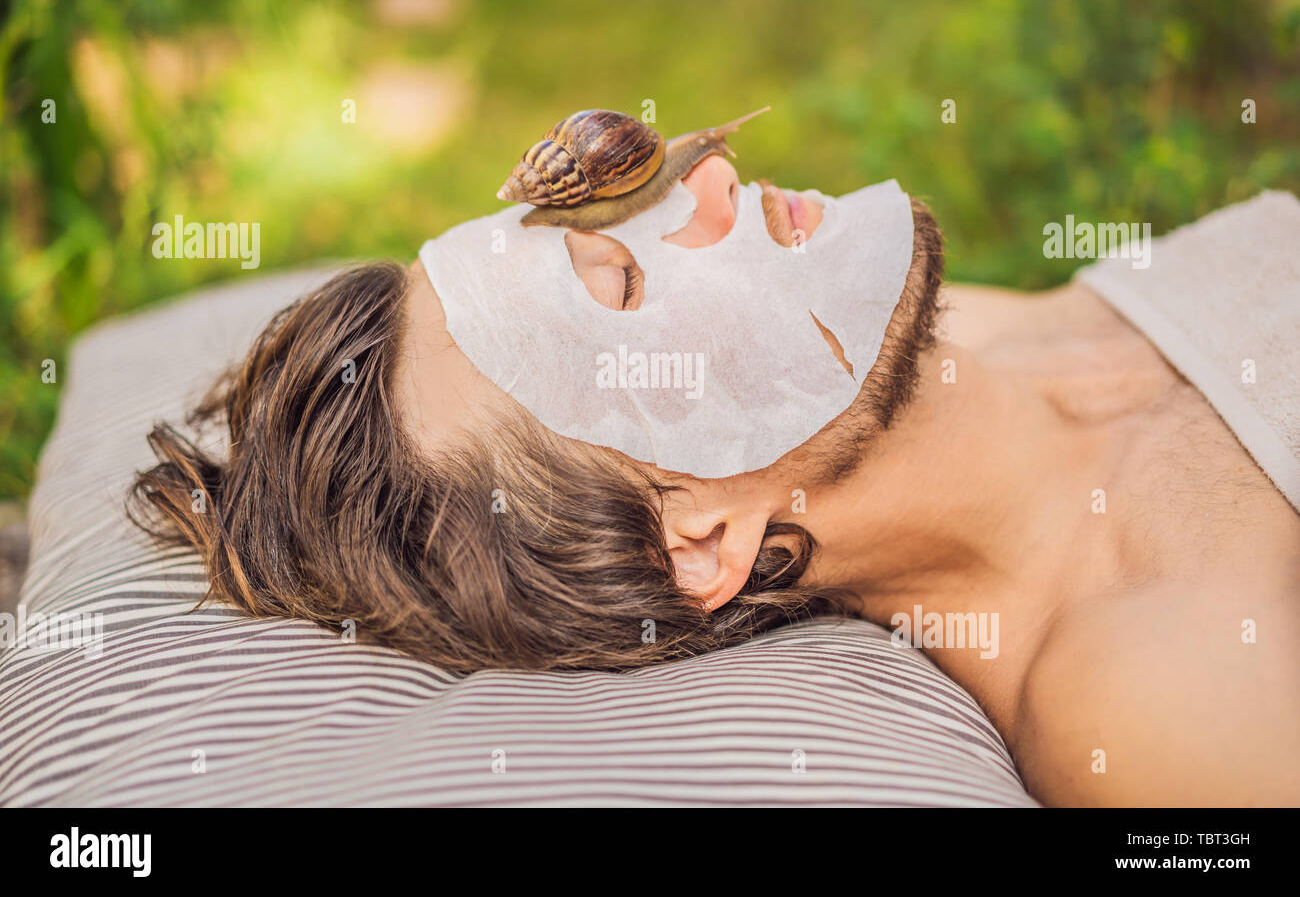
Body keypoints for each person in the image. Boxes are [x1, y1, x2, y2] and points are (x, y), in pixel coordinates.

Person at [131, 143, 1300, 806]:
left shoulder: (991, 339)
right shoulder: (1166, 700)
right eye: (626, 291)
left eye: (599, 213)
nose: (705, 182)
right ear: (694, 536)